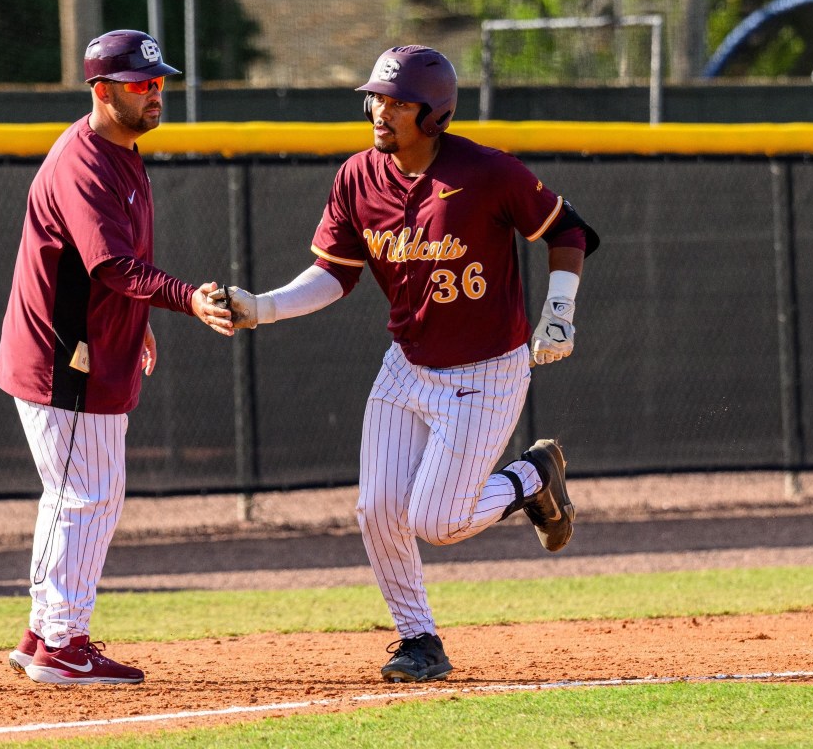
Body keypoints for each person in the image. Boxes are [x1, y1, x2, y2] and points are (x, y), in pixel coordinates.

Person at [212, 45, 599, 683]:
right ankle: (418, 639)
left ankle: (533, 477)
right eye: (376, 98)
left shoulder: (488, 172)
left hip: (486, 372)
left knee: (438, 522)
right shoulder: (358, 176)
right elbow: (335, 274)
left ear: (436, 115)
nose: (380, 112)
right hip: (407, 366)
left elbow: (569, 230)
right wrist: (263, 307)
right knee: (378, 509)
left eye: (397, 102)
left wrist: (560, 308)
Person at [0, 29, 234, 685]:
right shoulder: (86, 160)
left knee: (72, 495)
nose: (155, 94)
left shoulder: (118, 149)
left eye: (159, 83)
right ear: (101, 91)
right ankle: (64, 644)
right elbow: (111, 264)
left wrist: (141, 318)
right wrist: (184, 299)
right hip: (65, 361)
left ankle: (44, 631)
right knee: (89, 497)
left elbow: (112, 269)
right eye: (139, 85)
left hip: (76, 350)